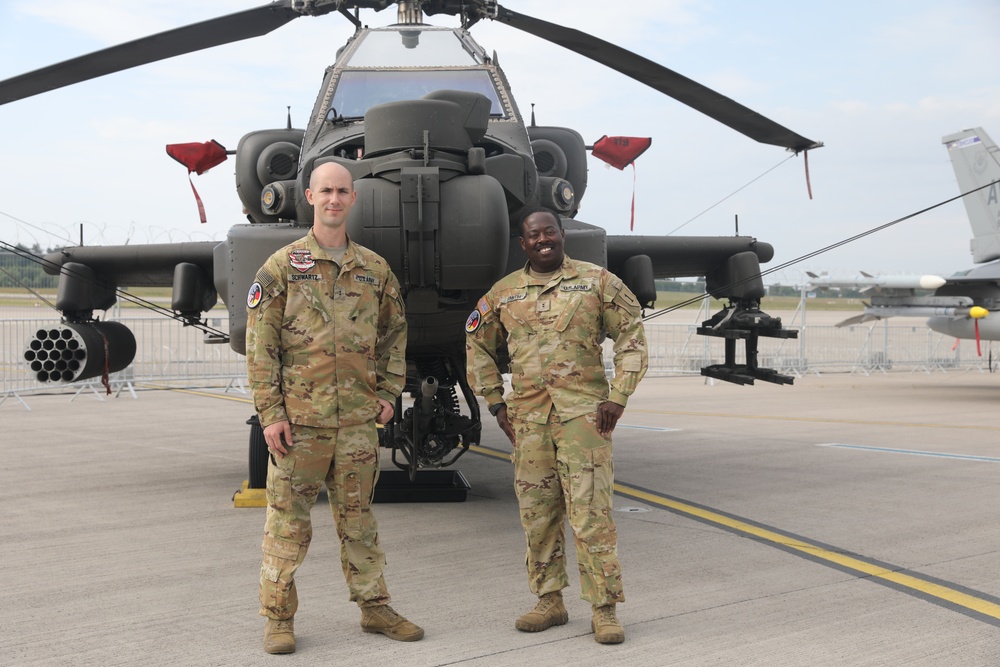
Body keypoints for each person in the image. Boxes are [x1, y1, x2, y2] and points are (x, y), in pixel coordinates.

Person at [245, 161, 422, 654]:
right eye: (326, 191)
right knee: (287, 522)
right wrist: (271, 414)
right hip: (300, 424)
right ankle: (278, 618)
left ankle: (374, 607)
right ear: (309, 196)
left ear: (353, 199)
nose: (334, 199)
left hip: (357, 426)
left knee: (359, 519)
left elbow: (394, 335)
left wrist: (388, 395)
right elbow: (262, 348)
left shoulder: (374, 269)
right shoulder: (281, 268)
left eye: (342, 191)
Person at [466, 207, 648, 645]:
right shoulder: (504, 293)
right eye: (534, 235)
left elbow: (631, 337)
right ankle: (549, 601)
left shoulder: (597, 281)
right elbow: (476, 345)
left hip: (583, 418)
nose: (543, 239)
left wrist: (618, 396)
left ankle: (603, 609)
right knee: (538, 516)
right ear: (523, 244)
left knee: (591, 514)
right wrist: (495, 403)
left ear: (562, 235)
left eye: (550, 232)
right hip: (528, 422)